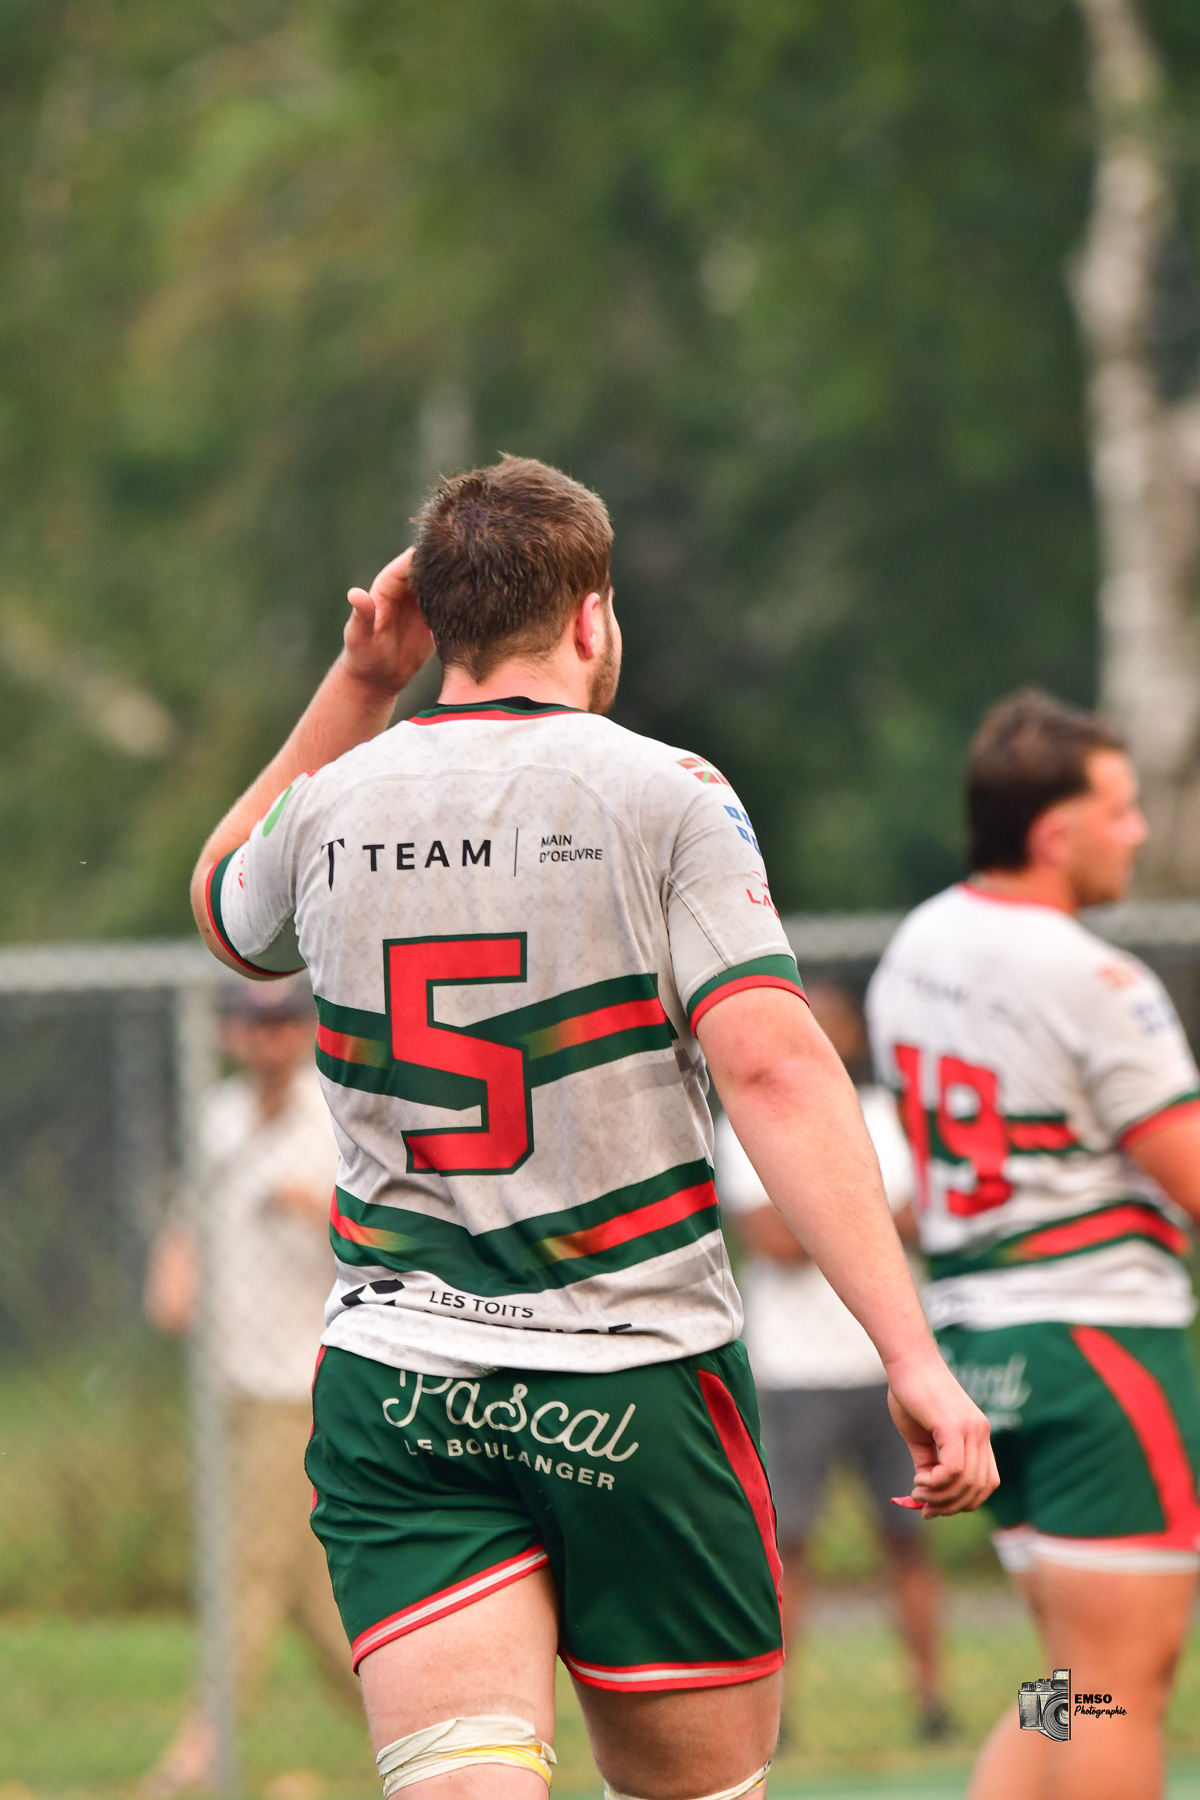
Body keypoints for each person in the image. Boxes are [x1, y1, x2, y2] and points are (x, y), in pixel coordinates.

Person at [189, 455, 995, 1800]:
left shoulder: (334, 802)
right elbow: (780, 1075)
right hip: (634, 1384)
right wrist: (907, 1347)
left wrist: (359, 681)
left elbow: (226, 908)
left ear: (433, 619)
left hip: (403, 1388)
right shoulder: (666, 791)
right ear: (591, 616)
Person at [866, 688, 1200, 1800]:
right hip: (1097, 1346)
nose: (1139, 830)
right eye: (1123, 807)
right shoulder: (1095, 978)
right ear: (1055, 833)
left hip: (980, 1346)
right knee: (1123, 1677)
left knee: (1071, 1680)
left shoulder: (919, 940)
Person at [716, 981, 949, 1745]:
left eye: (836, 1022)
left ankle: (932, 1703)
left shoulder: (890, 1118)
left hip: (891, 1365)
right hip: (796, 1369)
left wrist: (820, 1210)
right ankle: (777, 1717)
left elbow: (928, 1222)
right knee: (790, 1548)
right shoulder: (748, 1119)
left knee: (910, 1541)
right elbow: (772, 1240)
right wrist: (868, 1218)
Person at [143, 977, 357, 1796]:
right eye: (251, 1024)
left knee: (249, 1572)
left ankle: (199, 1758)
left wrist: (320, 1214)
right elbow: (189, 1227)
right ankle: (426, 1729)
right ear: (230, 1034)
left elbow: (387, 1247)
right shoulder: (218, 1118)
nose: (267, 1038)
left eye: (283, 1023)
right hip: (228, 1387)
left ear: (304, 1030)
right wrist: (174, 1276)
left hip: (297, 1384)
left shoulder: (333, 1122)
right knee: (309, 1596)